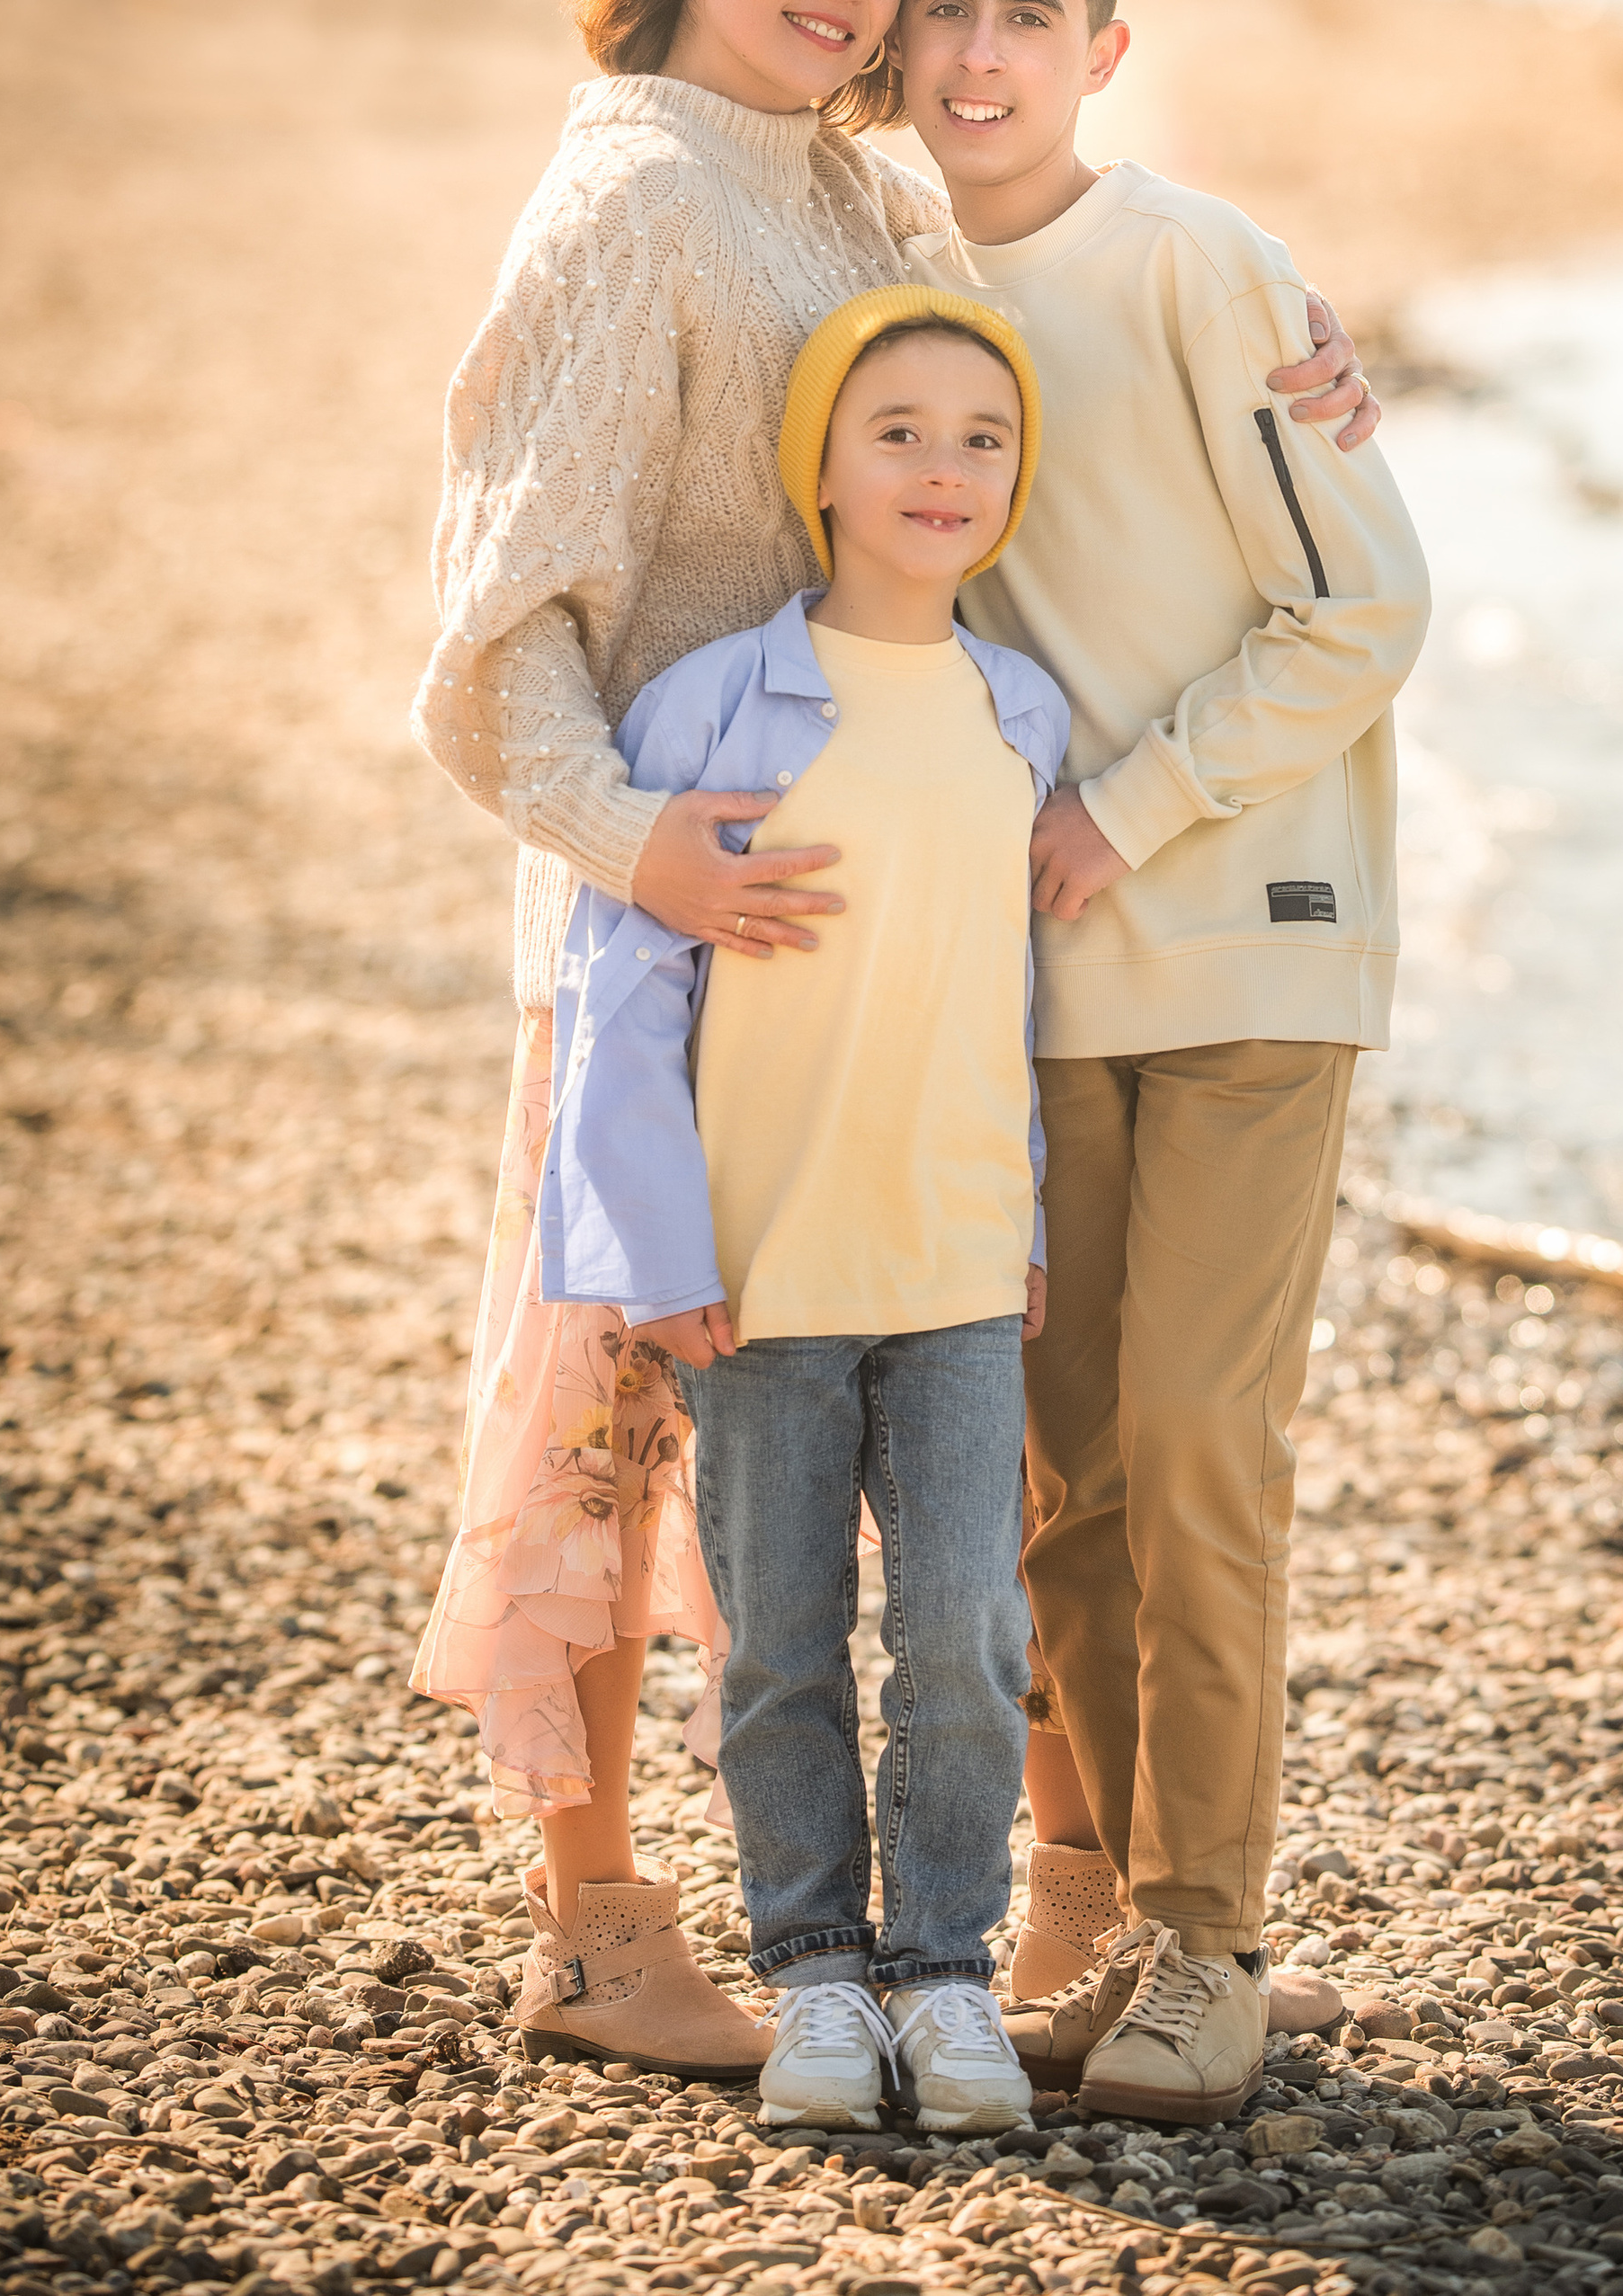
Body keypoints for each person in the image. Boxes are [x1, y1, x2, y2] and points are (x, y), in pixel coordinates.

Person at [407, 0, 1377, 2078]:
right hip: (690, 908)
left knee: (962, 1359)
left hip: (904, 902)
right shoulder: (632, 188)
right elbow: (488, 620)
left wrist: (1302, 367)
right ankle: (599, 1924)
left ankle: (1066, 1899)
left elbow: (1038, 387)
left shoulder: (848, 181)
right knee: (626, 1401)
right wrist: (630, 846)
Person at [898, 0, 1433, 2125]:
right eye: (945, 7)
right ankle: (1136, 1924)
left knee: (1204, 1449)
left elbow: (1365, 605)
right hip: (1036, 980)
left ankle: (1213, 1944)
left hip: (1252, 945)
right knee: (1075, 1490)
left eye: (1030, 13)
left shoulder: (1206, 266)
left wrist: (1128, 806)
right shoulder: (894, 292)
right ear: (899, 47)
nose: (981, 50)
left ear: (1099, 52)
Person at [539, 289, 1069, 2135]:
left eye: (981, 439)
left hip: (950, 1266)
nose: (942, 469)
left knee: (959, 1639)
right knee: (771, 1642)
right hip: (759, 1278)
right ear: (820, 465)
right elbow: (622, 998)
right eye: (898, 431)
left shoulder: (1020, 711)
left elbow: (1012, 999)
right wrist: (656, 1256)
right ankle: (815, 1975)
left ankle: (942, 1972)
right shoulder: (715, 701)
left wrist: (1026, 1225)